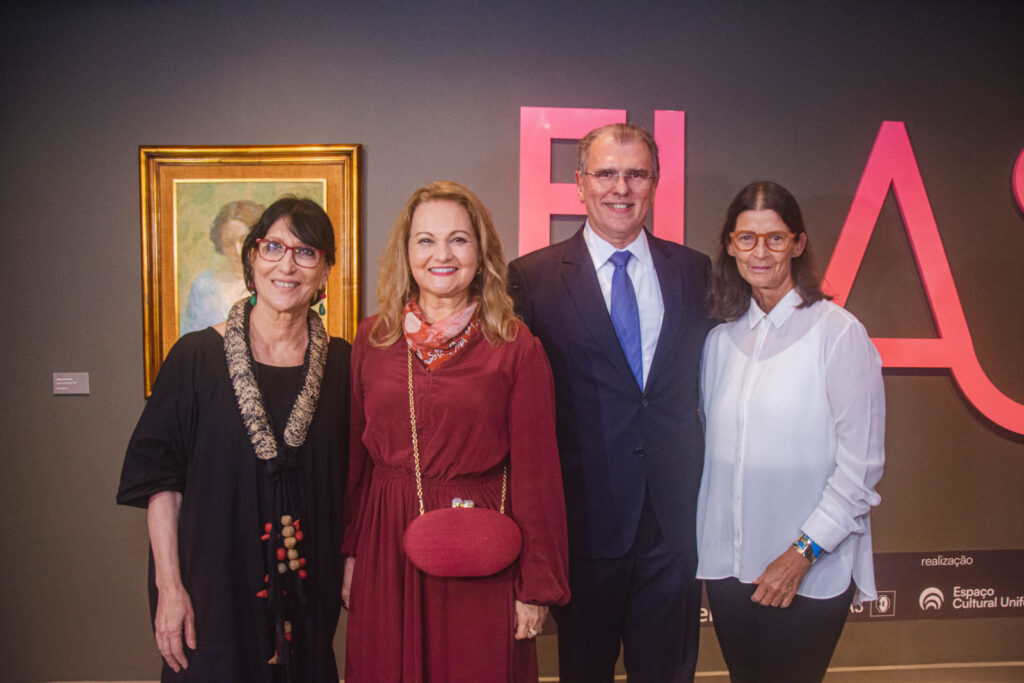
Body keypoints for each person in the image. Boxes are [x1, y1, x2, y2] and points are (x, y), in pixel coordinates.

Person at [341, 180, 569, 682]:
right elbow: (355, 463)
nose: (442, 254)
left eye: (458, 239)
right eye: (426, 240)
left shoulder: (515, 345)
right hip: (387, 539)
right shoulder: (373, 338)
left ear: (481, 251)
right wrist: (352, 550)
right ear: (406, 252)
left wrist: (535, 585)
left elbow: (538, 474)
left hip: (481, 544)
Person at [508, 123, 711, 682]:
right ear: (580, 184)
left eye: (636, 174)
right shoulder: (533, 278)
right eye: (605, 173)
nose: (621, 188)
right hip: (585, 523)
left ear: (655, 182)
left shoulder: (694, 272)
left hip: (674, 525)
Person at [118, 197, 349, 682]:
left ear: (325, 270)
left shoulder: (344, 366)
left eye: (307, 252)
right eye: (273, 247)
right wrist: (169, 589)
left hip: (306, 599)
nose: (287, 264)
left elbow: (361, 483)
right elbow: (161, 482)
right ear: (251, 259)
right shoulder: (196, 358)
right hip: (211, 592)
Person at [697, 181, 885, 682]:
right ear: (730, 245)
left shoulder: (838, 334)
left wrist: (801, 554)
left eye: (775, 238)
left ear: (798, 245)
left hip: (807, 569)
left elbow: (860, 470)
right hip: (729, 569)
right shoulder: (719, 341)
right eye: (746, 238)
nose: (760, 252)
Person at [181, 199, 264, 334]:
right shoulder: (203, 286)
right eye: (229, 244)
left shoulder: (271, 285)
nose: (238, 251)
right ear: (221, 247)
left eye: (243, 240)